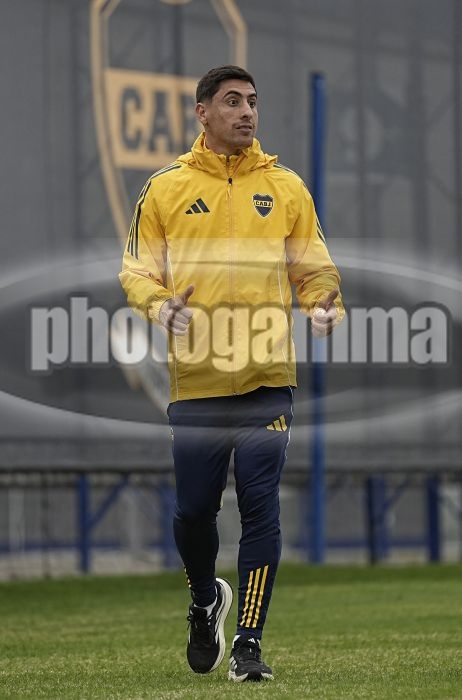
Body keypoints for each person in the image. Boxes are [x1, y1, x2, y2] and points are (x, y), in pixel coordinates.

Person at [119, 65, 344, 683]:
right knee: (194, 512)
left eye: (252, 102)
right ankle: (204, 601)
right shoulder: (165, 188)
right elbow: (136, 271)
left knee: (259, 505)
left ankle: (248, 644)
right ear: (203, 112)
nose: (247, 112)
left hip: (268, 378)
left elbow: (314, 268)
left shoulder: (286, 187)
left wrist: (324, 304)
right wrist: (160, 305)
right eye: (233, 101)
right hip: (196, 382)